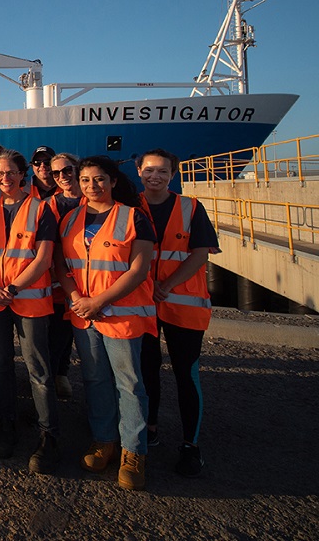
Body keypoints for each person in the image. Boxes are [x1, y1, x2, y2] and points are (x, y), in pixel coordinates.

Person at [54, 156, 156, 491]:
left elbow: (138, 270)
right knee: (95, 378)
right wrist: (76, 300)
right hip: (84, 315)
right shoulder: (70, 220)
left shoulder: (133, 218)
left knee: (129, 383)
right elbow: (62, 266)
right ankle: (104, 440)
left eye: (98, 179)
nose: (91, 186)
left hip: (121, 315)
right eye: (85, 180)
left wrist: (98, 301)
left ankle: (133, 450)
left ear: (112, 181)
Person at [0, 150, 61, 473]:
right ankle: (6, 425)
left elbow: (43, 259)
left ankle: (49, 436)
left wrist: (12, 289)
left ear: (22, 173)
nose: (5, 178)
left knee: (38, 369)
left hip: (27, 299)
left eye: (11, 172)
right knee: (1, 365)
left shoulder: (41, 209)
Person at [136, 148, 218, 477]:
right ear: (139, 171)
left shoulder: (191, 207)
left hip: (183, 303)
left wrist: (166, 285)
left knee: (187, 374)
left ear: (173, 175)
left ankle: (191, 445)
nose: (155, 176)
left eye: (163, 171)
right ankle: (151, 428)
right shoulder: (131, 206)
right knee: (147, 369)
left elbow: (200, 254)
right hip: (143, 303)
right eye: (149, 170)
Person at [47, 152, 84, 401]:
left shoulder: (95, 201)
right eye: (56, 173)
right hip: (58, 283)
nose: (63, 177)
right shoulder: (51, 204)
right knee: (57, 335)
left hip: (90, 284)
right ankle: (57, 377)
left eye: (68, 170)